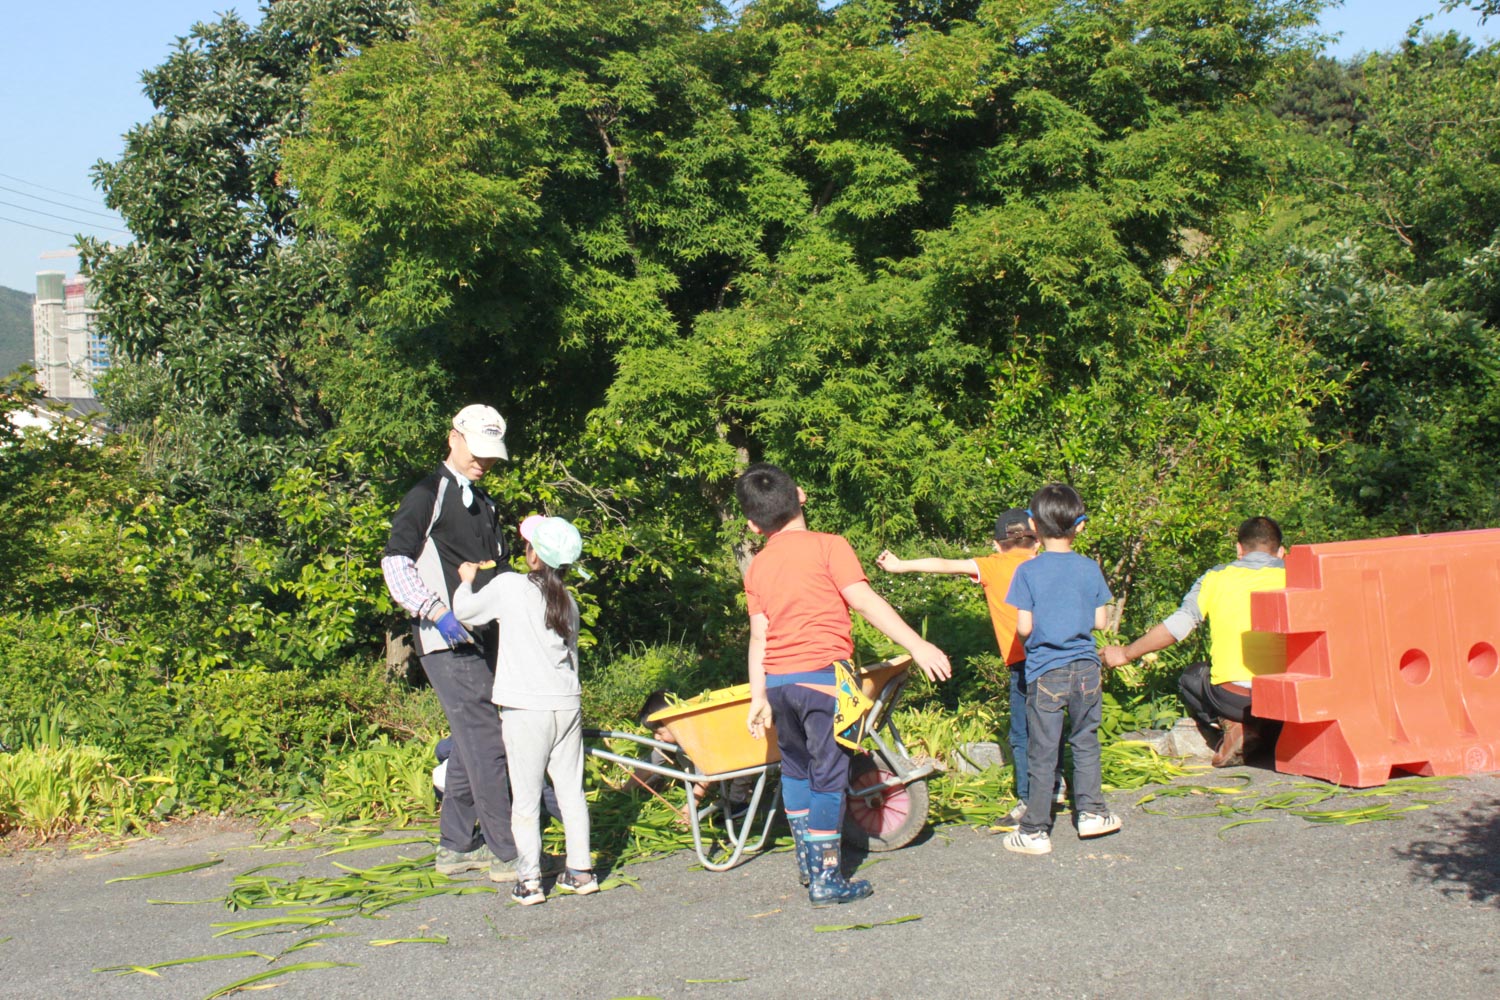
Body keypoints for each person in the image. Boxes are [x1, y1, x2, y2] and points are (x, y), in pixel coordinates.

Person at [736, 462, 951, 906]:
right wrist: (917, 645)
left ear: (754, 525)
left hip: (778, 684)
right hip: (826, 681)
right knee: (829, 776)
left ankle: (807, 863)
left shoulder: (756, 567)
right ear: (801, 495)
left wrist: (758, 695)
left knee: (795, 770)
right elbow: (865, 602)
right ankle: (826, 878)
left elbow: (759, 636)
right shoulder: (830, 546)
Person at [382, 404, 518, 880]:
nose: (484, 462)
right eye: (477, 451)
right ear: (453, 438)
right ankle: (508, 852)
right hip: (446, 639)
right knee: (487, 741)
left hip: (486, 636)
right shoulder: (427, 494)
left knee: (469, 739)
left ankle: (457, 846)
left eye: (491, 455)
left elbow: (498, 570)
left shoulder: (485, 503)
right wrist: (434, 611)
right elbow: (395, 561)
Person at [875, 507, 1064, 826]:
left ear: (996, 544)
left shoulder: (992, 565)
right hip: (1060, 657)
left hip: (1025, 661)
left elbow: (944, 564)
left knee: (1022, 732)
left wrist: (900, 565)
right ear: (1036, 541)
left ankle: (1029, 801)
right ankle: (1057, 783)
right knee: (1052, 723)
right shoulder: (1047, 564)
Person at [453, 515, 596, 906]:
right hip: (566, 703)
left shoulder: (510, 586)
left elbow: (465, 612)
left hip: (525, 707)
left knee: (526, 799)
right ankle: (581, 871)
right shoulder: (568, 602)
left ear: (534, 556)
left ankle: (530, 881)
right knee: (571, 792)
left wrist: (465, 580)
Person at [1101, 516, 1287, 768]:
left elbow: (1178, 626)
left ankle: (1235, 726)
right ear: (1281, 551)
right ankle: (1272, 733)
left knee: (1191, 677)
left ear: (1239, 549)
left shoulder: (1216, 577)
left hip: (1234, 699)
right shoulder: (1295, 575)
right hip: (1286, 698)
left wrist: (1125, 653)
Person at [1002, 483, 1122, 856]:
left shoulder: (1026, 571)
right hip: (1086, 667)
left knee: (1043, 750)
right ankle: (1092, 814)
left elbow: (1024, 628)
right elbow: (1101, 621)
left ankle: (1035, 830)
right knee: (1085, 740)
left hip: (1045, 671)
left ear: (1033, 526)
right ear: (1080, 525)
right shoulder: (1089, 568)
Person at [635, 690, 753, 821]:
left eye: (659, 732)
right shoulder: (668, 741)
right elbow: (648, 767)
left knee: (742, 764)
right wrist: (625, 790)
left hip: (730, 764)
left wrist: (688, 810)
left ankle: (737, 802)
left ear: (674, 724)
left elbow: (705, 777)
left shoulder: (697, 738)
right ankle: (720, 794)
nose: (656, 737)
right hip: (710, 778)